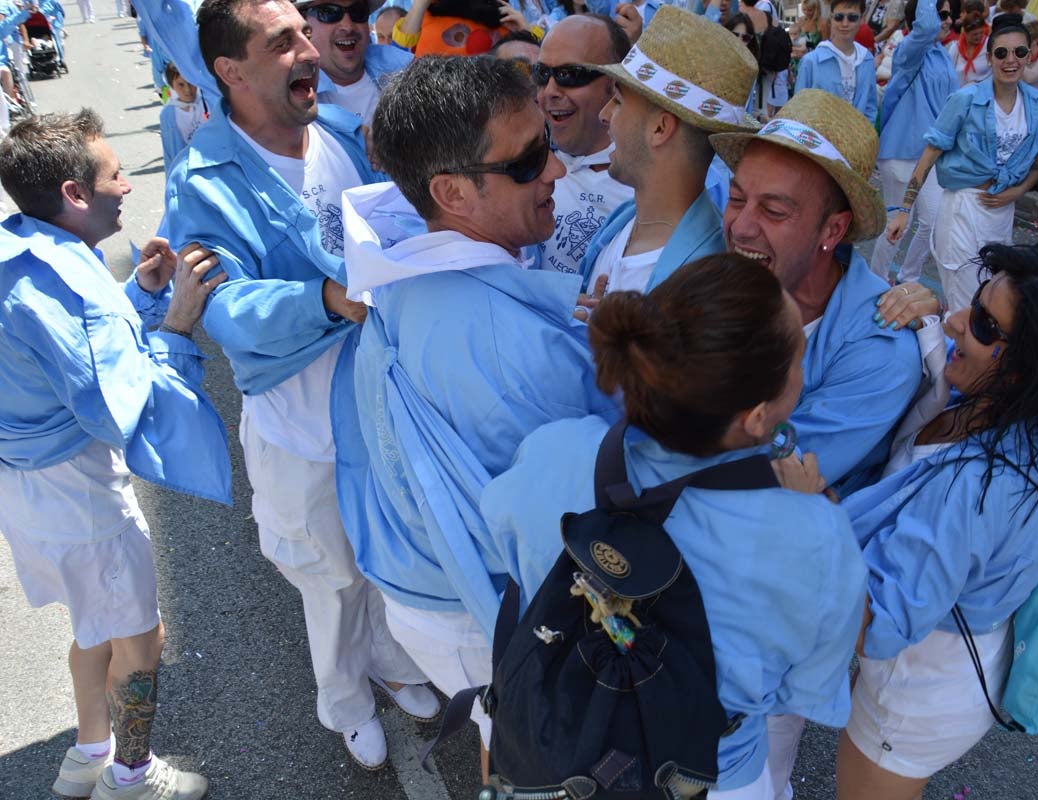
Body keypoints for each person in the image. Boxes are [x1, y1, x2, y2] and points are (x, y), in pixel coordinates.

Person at [481, 253, 869, 799]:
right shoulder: (816, 541)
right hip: (708, 775)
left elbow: (506, 547)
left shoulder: (553, 448)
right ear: (757, 417)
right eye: (799, 358)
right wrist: (805, 512)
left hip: (556, 745)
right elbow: (801, 690)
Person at [165, 0, 438, 772]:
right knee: (331, 579)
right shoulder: (206, 182)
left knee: (384, 553)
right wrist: (324, 298)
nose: (309, 50)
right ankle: (343, 704)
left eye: (303, 35)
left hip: (379, 408)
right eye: (281, 41)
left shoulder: (350, 138)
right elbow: (225, 307)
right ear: (230, 70)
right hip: (301, 427)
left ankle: (391, 659)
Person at [330, 54, 620, 779]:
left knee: (505, 740)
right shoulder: (505, 340)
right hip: (470, 609)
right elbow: (573, 512)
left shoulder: (400, 257)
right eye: (526, 163)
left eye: (547, 143)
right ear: (451, 191)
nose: (554, 171)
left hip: (418, 581)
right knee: (540, 759)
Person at [835, 243, 1038, 800]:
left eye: (984, 324)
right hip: (939, 652)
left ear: (1035, 369)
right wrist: (925, 306)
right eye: (972, 305)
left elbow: (876, 622)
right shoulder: (1018, 415)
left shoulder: (983, 490)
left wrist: (802, 514)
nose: (958, 321)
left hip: (913, 696)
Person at [0, 110, 230, 800]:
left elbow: (81, 354)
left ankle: (89, 753)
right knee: (139, 633)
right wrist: (179, 324)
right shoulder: (60, 287)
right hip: (77, 489)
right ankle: (131, 773)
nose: (128, 186)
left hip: (33, 479)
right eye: (114, 175)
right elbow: (118, 407)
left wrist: (144, 295)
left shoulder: (26, 251)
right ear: (75, 193)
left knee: (94, 622)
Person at [711, 90, 934, 797]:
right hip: (692, 576)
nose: (742, 226)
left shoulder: (878, 351)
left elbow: (769, 469)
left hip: (776, 607)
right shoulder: (723, 280)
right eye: (738, 198)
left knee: (757, 764)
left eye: (775, 211)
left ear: (834, 229)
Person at [575, 6, 759, 302]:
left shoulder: (703, 286)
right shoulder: (625, 219)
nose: (604, 114)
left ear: (660, 128)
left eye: (618, 101)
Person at [888, 15, 1038, 312]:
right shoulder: (965, 99)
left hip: (1002, 211)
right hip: (962, 209)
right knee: (964, 304)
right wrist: (904, 209)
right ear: (989, 58)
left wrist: (1017, 192)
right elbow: (929, 155)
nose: (1010, 60)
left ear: (1030, 56)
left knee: (987, 297)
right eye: (1001, 53)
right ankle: (945, 355)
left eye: (1019, 52)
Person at [534, 14, 634, 276]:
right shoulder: (513, 166)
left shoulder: (651, 189)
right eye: (542, 74)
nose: (550, 91)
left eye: (570, 75)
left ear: (616, 86)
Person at [870, 0, 959, 284]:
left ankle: (908, 279)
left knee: (931, 221)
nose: (947, 20)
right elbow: (928, 27)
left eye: (949, 15)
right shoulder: (911, 49)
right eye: (941, 14)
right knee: (898, 222)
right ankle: (876, 280)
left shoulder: (942, 55)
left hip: (930, 154)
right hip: (900, 150)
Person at [299, 0, 413, 125]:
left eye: (358, 11)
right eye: (329, 12)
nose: (348, 27)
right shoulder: (290, 99)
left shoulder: (405, 70)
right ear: (304, 26)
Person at [796, 0, 878, 120]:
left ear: (862, 19)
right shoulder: (811, 62)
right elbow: (798, 109)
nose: (845, 24)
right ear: (831, 18)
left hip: (855, 136)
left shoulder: (866, 59)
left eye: (852, 17)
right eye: (839, 17)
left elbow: (870, 106)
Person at [159, 62, 208, 167]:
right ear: (172, 86)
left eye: (191, 83)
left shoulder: (207, 103)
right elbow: (170, 150)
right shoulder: (168, 114)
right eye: (180, 84)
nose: (188, 89)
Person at [948, 16, 991, 84]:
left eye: (981, 32)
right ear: (965, 32)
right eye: (975, 34)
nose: (979, 36)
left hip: (984, 90)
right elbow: (949, 71)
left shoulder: (989, 44)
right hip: (960, 91)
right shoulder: (955, 48)